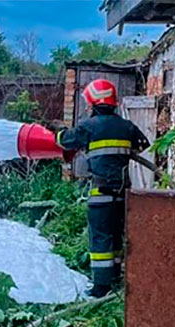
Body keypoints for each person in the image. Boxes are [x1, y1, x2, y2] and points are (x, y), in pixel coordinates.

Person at [55, 79, 149, 298]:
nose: (87, 107)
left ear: (95, 102)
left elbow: (66, 141)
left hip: (101, 194)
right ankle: (115, 278)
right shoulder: (127, 126)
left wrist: (57, 132)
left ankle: (100, 287)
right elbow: (143, 145)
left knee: (101, 238)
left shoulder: (89, 126)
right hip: (123, 195)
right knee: (116, 236)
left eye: (88, 103)